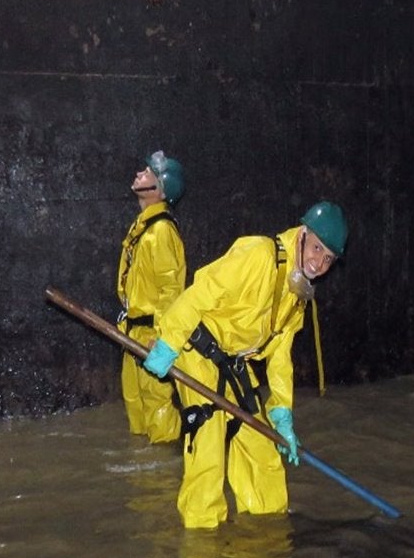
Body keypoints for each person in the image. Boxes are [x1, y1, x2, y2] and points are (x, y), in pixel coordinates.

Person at [139, 202, 347, 529]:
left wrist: (282, 414)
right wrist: (168, 342)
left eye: (328, 258)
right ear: (302, 234)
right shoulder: (259, 255)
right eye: (317, 248)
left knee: (261, 449)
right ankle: (201, 540)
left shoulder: (298, 294)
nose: (319, 263)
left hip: (232, 361)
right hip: (197, 347)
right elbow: (200, 293)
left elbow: (280, 355)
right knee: (208, 441)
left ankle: (268, 534)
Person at [117, 151, 188, 444]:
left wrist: (162, 338)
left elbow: (171, 290)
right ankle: (143, 465)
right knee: (136, 405)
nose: (139, 174)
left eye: (148, 172)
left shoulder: (161, 232)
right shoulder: (143, 228)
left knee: (158, 405)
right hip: (133, 332)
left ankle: (164, 465)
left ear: (161, 188)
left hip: (151, 337)